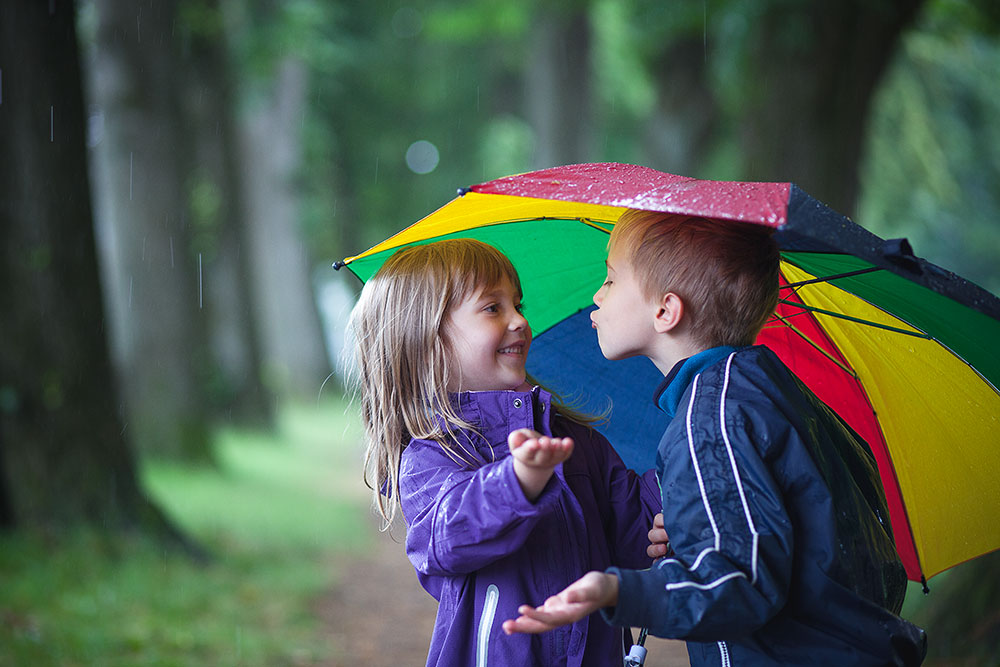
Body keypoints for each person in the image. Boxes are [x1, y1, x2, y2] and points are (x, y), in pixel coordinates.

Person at [503, 210, 928, 666]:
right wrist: (694, 536)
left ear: (665, 311)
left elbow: (740, 580)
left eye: (610, 280)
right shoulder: (770, 395)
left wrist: (619, 590)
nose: (596, 295)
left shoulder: (711, 419)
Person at [345, 238, 663, 667]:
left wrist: (685, 464)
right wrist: (515, 484)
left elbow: (632, 530)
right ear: (428, 342)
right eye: (493, 308)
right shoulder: (431, 454)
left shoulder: (570, 440)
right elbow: (446, 541)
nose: (519, 321)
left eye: (518, 305)